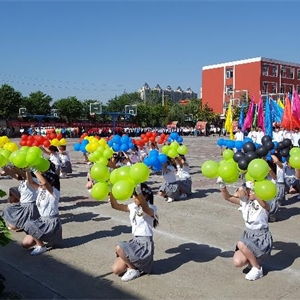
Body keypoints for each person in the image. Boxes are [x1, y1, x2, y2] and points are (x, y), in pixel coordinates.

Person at [217, 178, 272, 281]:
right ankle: (253, 261)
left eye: (251, 190)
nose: (249, 192)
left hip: (260, 236)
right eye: (249, 190)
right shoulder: (245, 202)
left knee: (241, 243)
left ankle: (257, 268)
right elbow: (227, 197)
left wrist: (255, 191)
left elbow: (265, 205)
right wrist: (222, 186)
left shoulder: (263, 202)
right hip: (248, 234)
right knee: (237, 262)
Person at [110, 183, 158, 282]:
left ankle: (134, 269)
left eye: (136, 196)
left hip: (144, 244)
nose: (133, 198)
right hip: (135, 241)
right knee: (116, 270)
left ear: (144, 196)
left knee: (119, 247)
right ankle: (138, 267)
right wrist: (111, 192)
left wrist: (139, 191)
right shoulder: (133, 206)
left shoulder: (152, 207)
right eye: (133, 195)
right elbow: (115, 206)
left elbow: (145, 209)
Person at [22, 169, 62, 255]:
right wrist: (28, 171)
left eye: (41, 180)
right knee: (25, 244)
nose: (39, 182)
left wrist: (35, 170)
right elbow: (30, 182)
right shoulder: (41, 190)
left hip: (51, 224)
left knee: (29, 224)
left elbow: (44, 183)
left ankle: (41, 246)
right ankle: (40, 241)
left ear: (50, 182)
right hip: (42, 222)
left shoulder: (54, 192)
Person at [1, 166, 39, 231]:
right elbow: (11, 173)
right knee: (8, 209)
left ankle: (25, 223)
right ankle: (23, 223)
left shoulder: (31, 179)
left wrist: (13, 166)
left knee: (13, 226)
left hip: (30, 207)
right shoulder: (23, 179)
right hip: (23, 205)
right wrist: (3, 164)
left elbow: (23, 174)